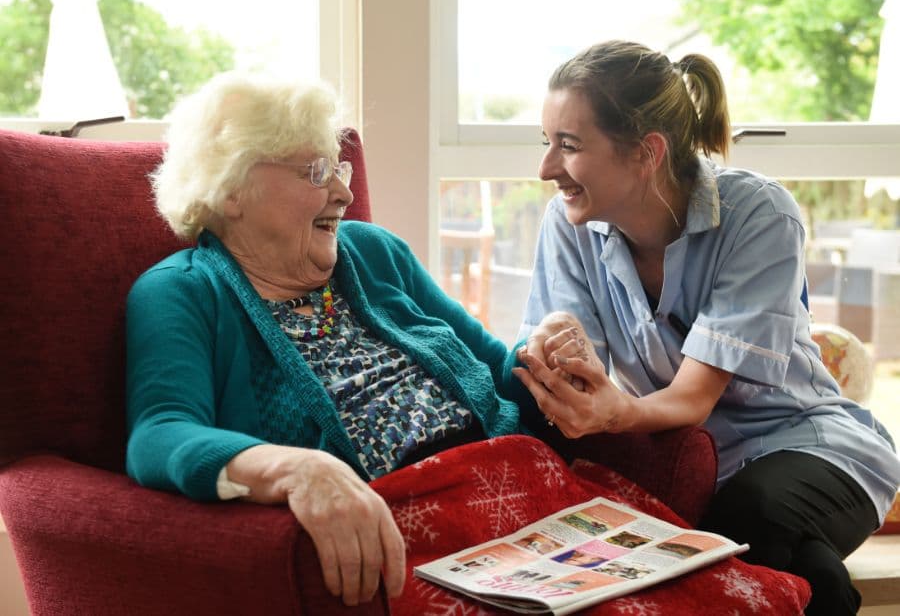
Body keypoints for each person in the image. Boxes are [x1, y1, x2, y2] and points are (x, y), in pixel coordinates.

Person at [512, 39, 900, 616]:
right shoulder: (569, 223)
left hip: (811, 450)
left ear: (646, 152)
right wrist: (556, 352)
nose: (546, 169)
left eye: (568, 146)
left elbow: (692, 398)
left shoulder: (759, 215)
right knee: (806, 573)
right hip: (693, 465)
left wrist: (614, 410)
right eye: (548, 144)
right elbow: (569, 358)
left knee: (744, 519)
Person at [125, 71, 535, 607]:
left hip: (527, 499)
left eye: (337, 167)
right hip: (418, 546)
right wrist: (295, 468)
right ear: (231, 190)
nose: (343, 192)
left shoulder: (374, 251)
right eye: (316, 171)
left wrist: (543, 358)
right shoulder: (182, 292)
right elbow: (158, 434)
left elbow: (498, 368)